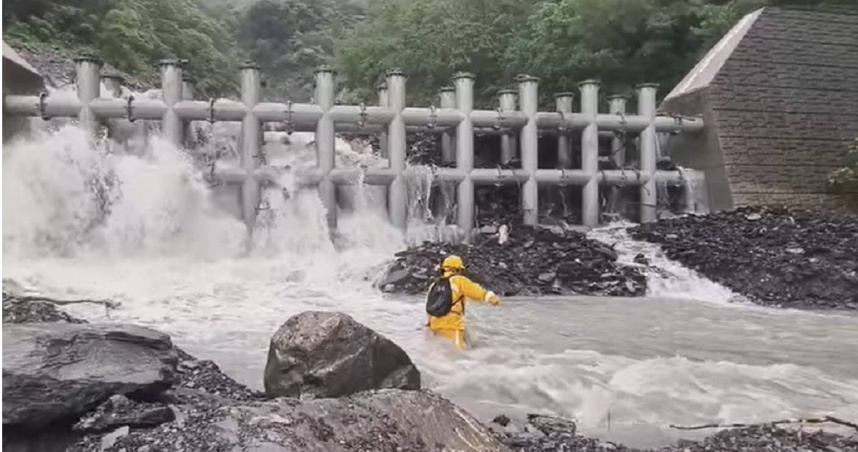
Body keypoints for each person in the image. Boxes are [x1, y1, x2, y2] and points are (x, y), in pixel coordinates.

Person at [425, 255, 500, 350]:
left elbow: (429, 306)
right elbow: (476, 292)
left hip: (434, 325)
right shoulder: (459, 280)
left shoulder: (434, 285)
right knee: (457, 354)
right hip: (452, 324)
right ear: (457, 269)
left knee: (438, 355)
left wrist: (429, 324)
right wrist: (490, 297)